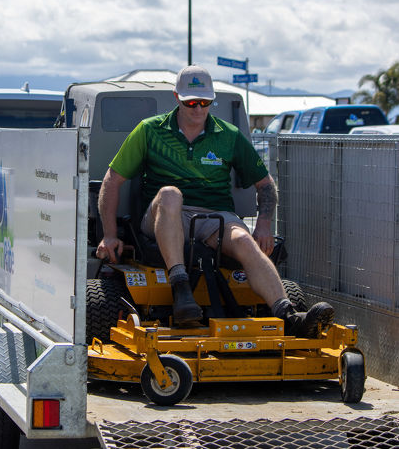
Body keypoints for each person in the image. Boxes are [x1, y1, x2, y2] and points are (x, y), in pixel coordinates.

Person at [96, 65, 334, 338]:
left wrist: (265, 224)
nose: (198, 109)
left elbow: (265, 185)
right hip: (165, 216)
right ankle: (181, 289)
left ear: (211, 100)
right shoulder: (150, 131)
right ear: (177, 98)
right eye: (191, 102)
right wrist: (110, 235)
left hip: (214, 217)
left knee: (244, 240)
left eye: (205, 102)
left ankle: (288, 315)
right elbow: (111, 181)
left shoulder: (228, 135)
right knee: (171, 194)